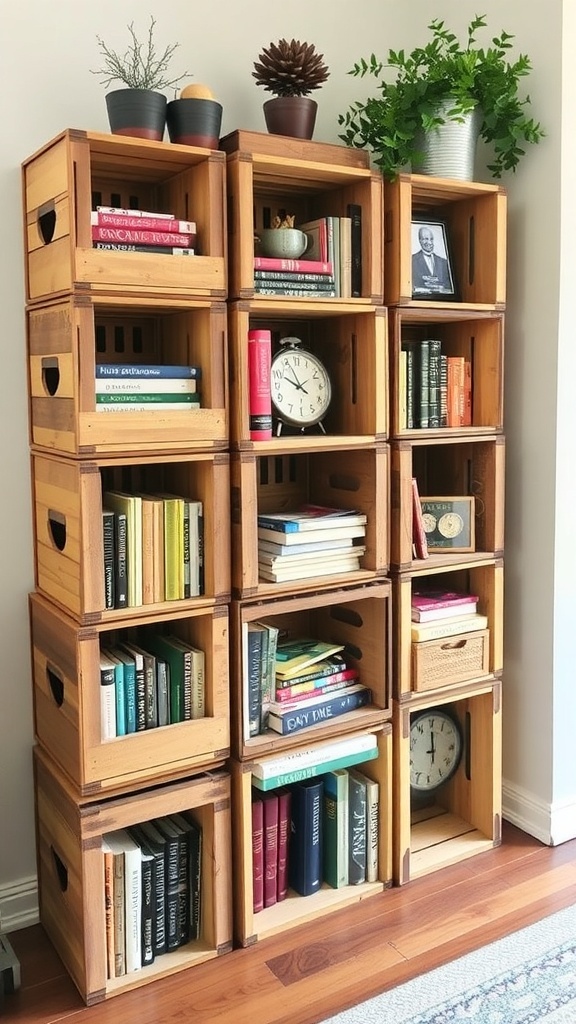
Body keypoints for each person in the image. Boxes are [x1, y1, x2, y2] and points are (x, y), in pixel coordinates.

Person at [412, 225, 453, 294]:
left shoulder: (444, 262)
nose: (430, 242)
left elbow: (449, 287)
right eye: (426, 239)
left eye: (431, 239)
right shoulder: (412, 260)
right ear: (420, 240)